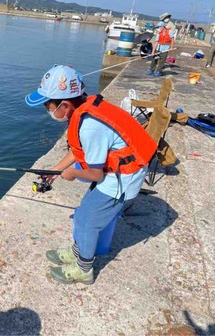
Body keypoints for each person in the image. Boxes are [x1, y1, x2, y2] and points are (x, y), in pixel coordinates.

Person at [25, 65, 157, 285]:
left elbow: (95, 173)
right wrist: (55, 172)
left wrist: (73, 174)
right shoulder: (84, 108)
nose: (47, 110)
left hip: (122, 178)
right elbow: (79, 152)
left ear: (64, 105)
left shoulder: (89, 126)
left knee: (87, 222)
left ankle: (84, 269)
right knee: (84, 211)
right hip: (114, 171)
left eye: (47, 105)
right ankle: (78, 250)